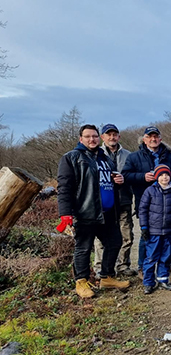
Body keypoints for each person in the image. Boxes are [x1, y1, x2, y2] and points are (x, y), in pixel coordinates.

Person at [57, 124, 130, 298]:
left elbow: (106, 183)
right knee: (83, 248)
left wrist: (118, 181)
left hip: (107, 213)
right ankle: (81, 282)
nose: (92, 139)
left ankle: (106, 277)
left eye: (95, 136)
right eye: (88, 136)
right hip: (85, 212)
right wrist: (65, 214)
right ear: (80, 139)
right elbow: (64, 188)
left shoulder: (104, 158)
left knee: (114, 243)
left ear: (99, 138)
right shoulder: (72, 158)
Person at [122, 126, 171, 275]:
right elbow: (125, 176)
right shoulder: (134, 157)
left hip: (169, 203)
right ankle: (143, 267)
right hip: (146, 204)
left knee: (168, 236)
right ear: (144, 139)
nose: (153, 139)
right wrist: (142, 177)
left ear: (160, 139)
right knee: (147, 236)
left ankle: (167, 264)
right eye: (150, 137)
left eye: (156, 136)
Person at [93, 123, 136, 276]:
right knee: (102, 238)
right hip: (103, 203)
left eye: (114, 134)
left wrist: (125, 179)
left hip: (124, 200)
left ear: (119, 136)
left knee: (126, 235)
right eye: (108, 134)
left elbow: (133, 176)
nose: (112, 137)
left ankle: (123, 266)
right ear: (102, 137)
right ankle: (100, 268)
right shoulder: (95, 155)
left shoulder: (129, 155)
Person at [138, 165, 171, 294]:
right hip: (153, 231)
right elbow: (143, 210)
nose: (164, 177)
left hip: (169, 231)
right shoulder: (150, 191)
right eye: (162, 175)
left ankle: (163, 279)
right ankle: (148, 282)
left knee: (166, 257)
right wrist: (144, 227)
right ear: (157, 177)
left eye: (167, 175)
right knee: (151, 257)